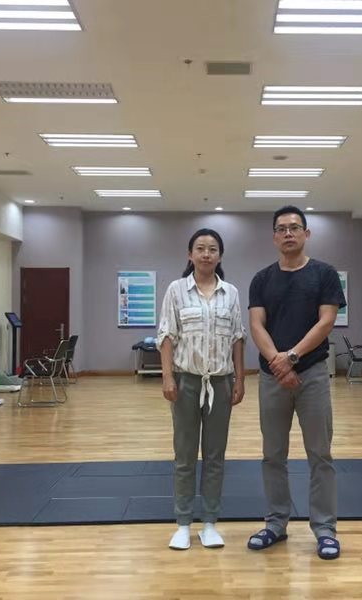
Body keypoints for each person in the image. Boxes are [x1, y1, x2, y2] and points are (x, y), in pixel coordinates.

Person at [246, 206, 346, 560]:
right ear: (274, 237)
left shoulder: (324, 274)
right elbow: (256, 325)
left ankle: (325, 529)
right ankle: (275, 523)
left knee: (320, 454)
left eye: (294, 227)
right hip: (272, 377)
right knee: (273, 454)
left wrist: (292, 357)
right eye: (282, 229)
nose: (288, 233)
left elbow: (326, 322)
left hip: (312, 374)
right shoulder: (261, 279)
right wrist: (278, 362)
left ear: (306, 233)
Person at [157, 228, 246, 550]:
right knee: (184, 456)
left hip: (220, 383)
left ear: (219, 256)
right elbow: (166, 335)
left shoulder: (230, 293)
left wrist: (240, 379)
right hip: (186, 381)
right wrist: (168, 377)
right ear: (190, 254)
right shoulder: (176, 290)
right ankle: (183, 523)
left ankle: (209, 522)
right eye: (200, 248)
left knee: (215, 456)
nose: (206, 254)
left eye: (212, 249)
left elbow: (237, 338)